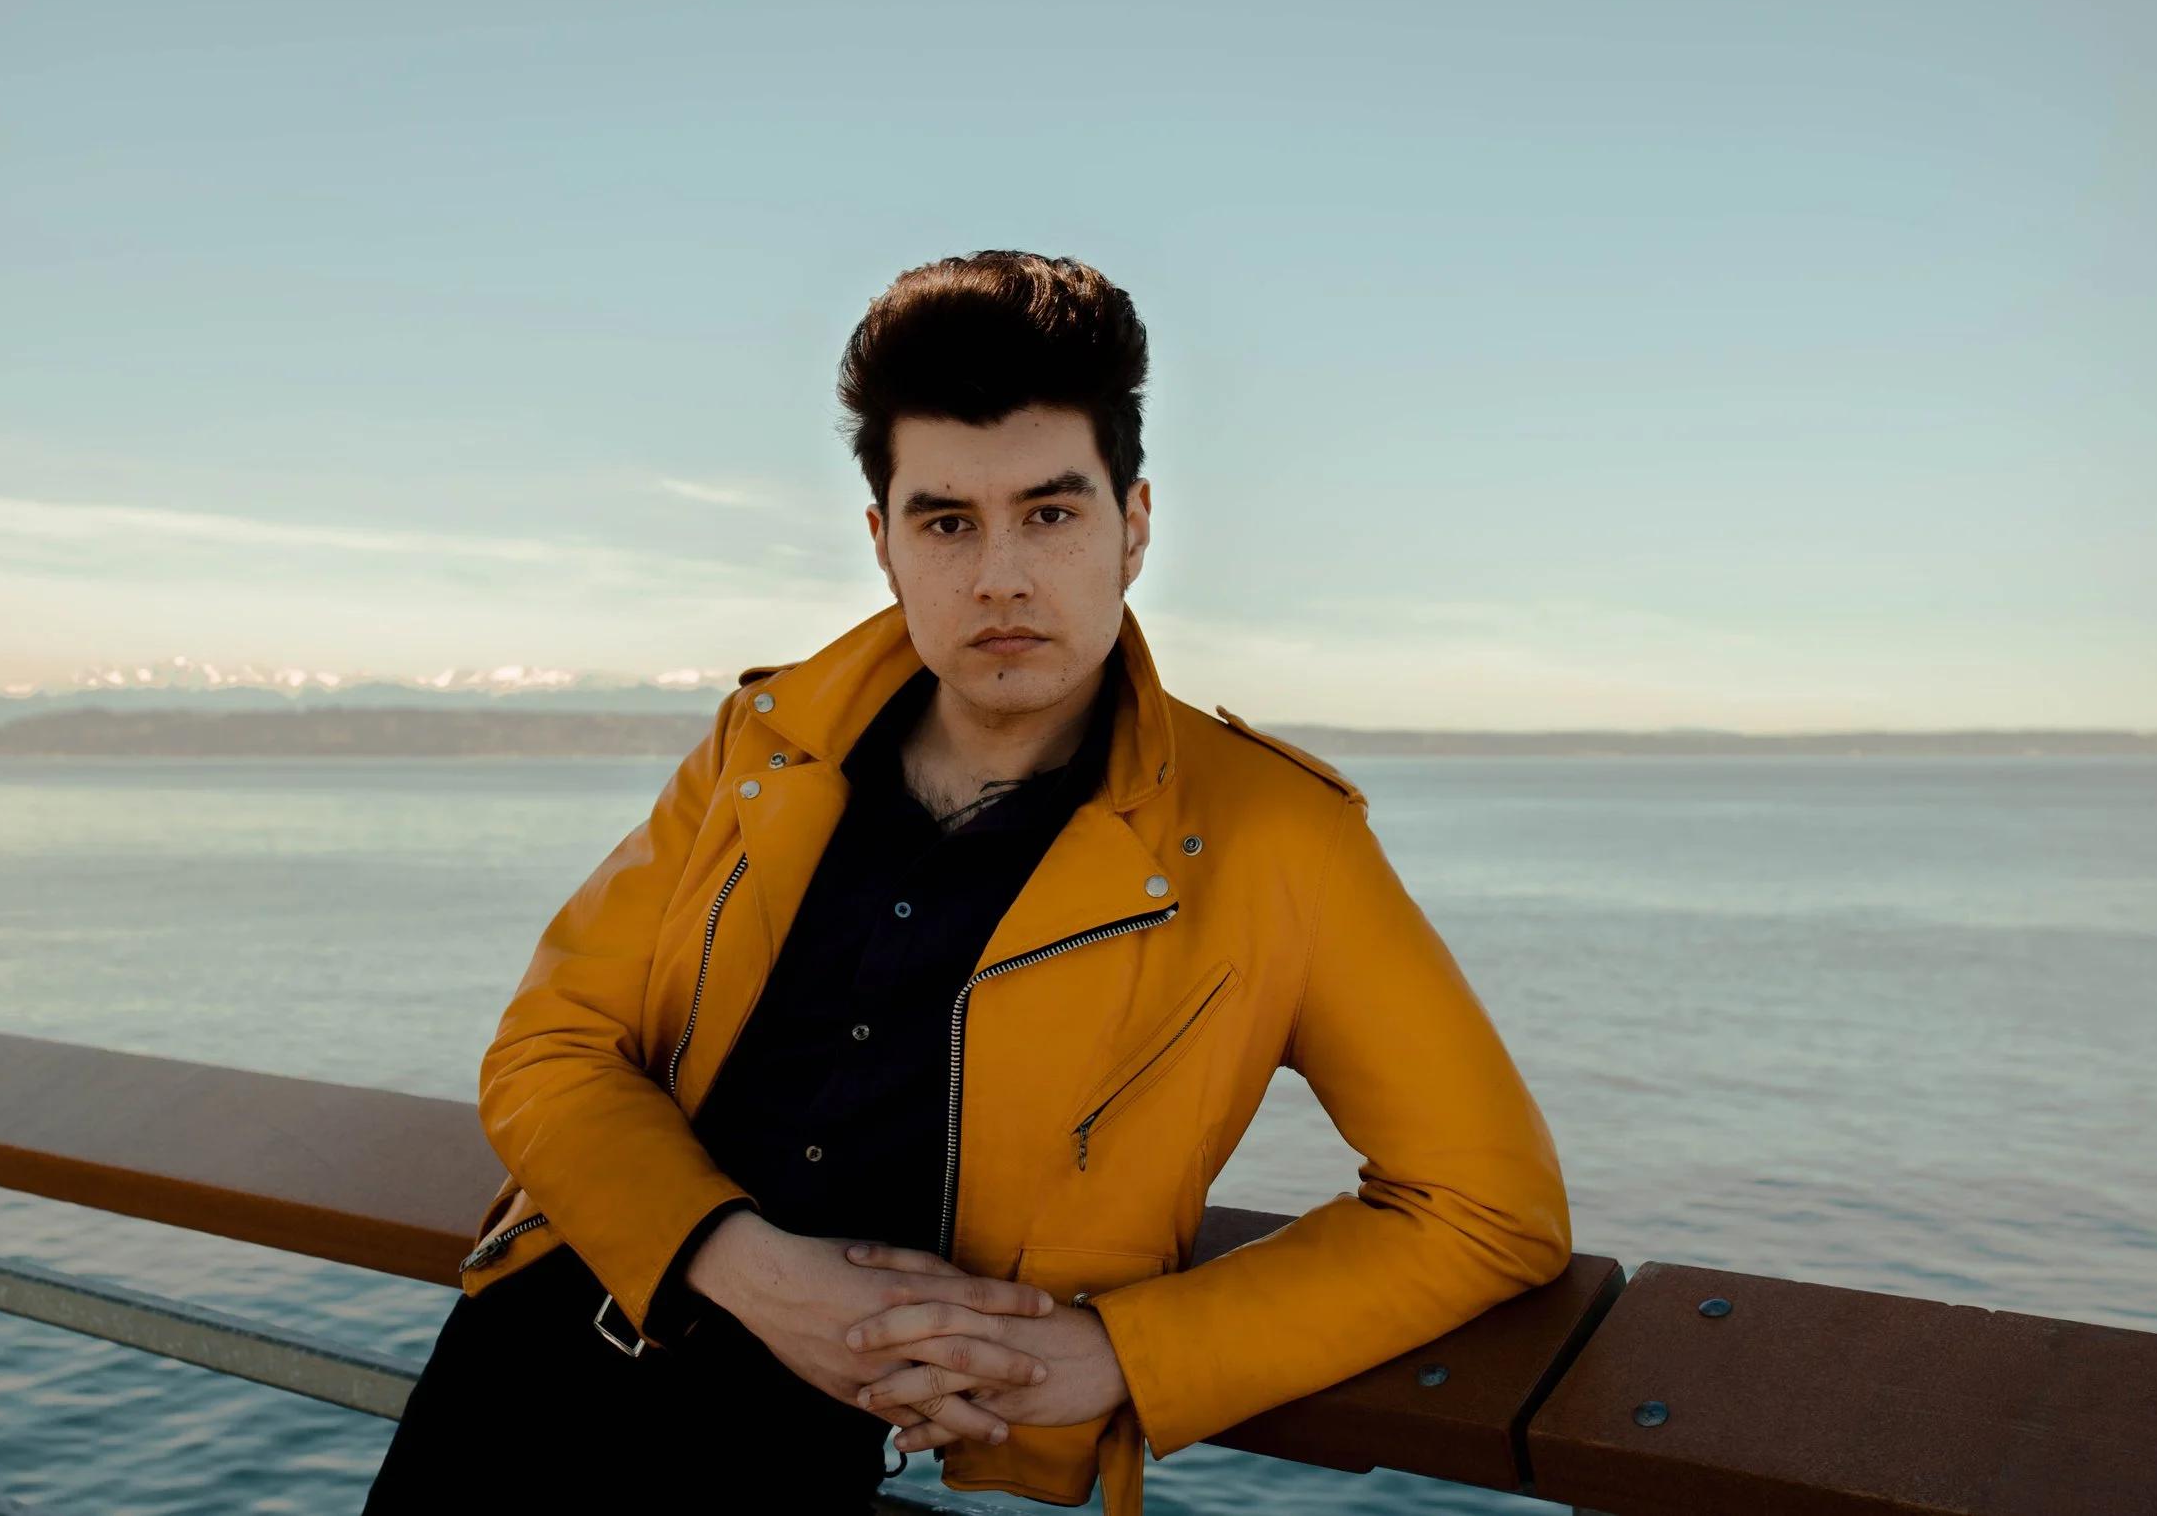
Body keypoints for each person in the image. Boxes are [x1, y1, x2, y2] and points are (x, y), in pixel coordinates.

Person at [364, 252, 1569, 1515]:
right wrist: (746, 1263)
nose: (999, 575)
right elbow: (550, 1045)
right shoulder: (765, 745)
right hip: (522, 1364)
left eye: (1050, 513)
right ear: (882, 542)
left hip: (844, 1449)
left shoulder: (1275, 835)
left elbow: (1488, 1206)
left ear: (1134, 526)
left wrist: (1118, 1353)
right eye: (948, 521)